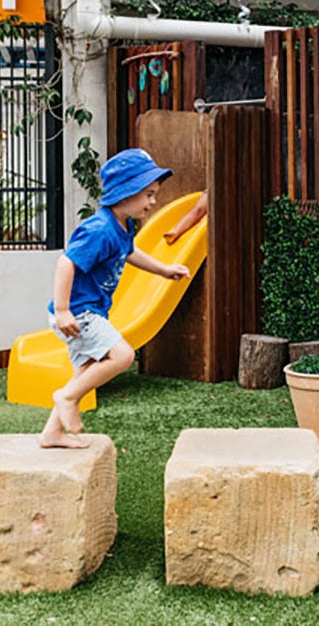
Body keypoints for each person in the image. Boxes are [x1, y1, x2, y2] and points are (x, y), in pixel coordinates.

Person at [42, 148, 190, 448]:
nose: (153, 201)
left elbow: (130, 252)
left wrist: (163, 270)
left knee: (86, 372)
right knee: (123, 356)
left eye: (154, 193)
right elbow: (65, 263)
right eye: (148, 194)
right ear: (126, 193)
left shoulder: (122, 227)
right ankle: (67, 397)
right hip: (78, 312)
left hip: (90, 311)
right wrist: (62, 310)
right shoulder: (99, 230)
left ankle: (52, 433)